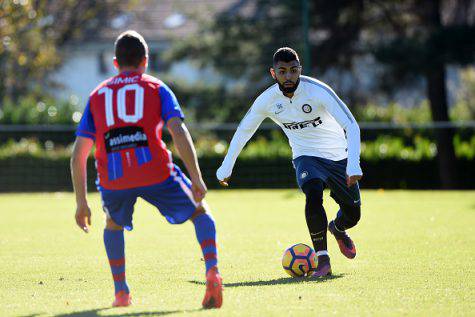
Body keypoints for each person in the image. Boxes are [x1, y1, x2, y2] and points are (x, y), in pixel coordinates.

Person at [71, 30, 222, 308]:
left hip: (114, 177)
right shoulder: (157, 88)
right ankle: (212, 269)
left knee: (113, 224)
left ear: (115, 63)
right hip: (155, 171)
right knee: (200, 212)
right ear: (146, 60)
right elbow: (178, 131)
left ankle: (121, 293)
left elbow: (78, 154)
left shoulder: (97, 95)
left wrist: (81, 203)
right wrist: (197, 178)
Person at [216, 47, 363, 277]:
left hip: (338, 157)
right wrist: (226, 166)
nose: (288, 76)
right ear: (273, 73)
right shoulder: (267, 100)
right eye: (282, 71)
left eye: (293, 71)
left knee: (353, 214)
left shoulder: (317, 91)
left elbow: (351, 125)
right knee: (313, 193)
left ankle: (338, 227)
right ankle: (322, 260)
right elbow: (245, 130)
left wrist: (353, 164)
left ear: (300, 70)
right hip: (305, 155)